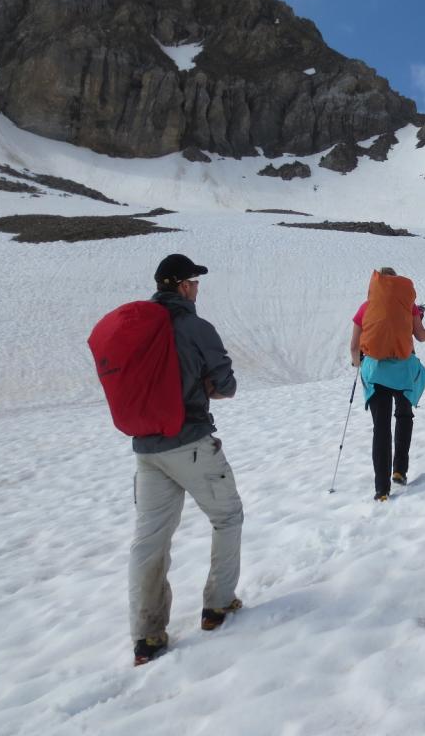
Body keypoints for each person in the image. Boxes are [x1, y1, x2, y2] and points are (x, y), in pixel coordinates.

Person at [128, 254, 244, 666]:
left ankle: (147, 637)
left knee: (150, 541)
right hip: (191, 441)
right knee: (227, 516)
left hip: (147, 450)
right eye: (194, 281)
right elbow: (226, 383)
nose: (197, 288)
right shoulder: (194, 327)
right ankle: (217, 604)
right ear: (180, 286)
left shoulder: (139, 329)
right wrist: (207, 386)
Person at [349, 267, 425, 501]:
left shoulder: (366, 307)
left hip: (375, 372)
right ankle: (399, 469)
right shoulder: (408, 306)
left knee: (380, 429)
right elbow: (420, 336)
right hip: (402, 372)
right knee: (403, 417)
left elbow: (354, 348)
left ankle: (381, 490)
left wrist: (358, 364)